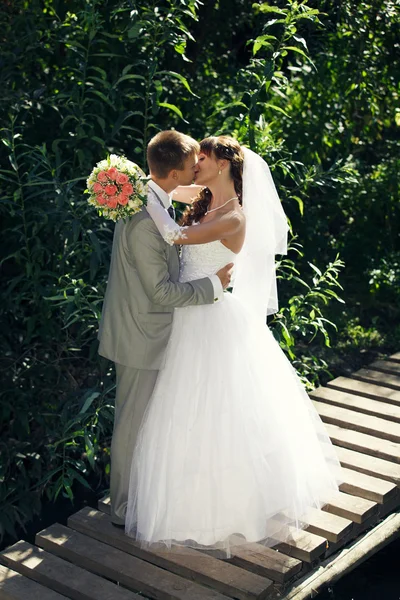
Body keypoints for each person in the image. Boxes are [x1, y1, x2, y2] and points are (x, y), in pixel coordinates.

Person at [124, 135, 343, 557]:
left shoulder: (235, 219)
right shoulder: (202, 197)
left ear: (224, 164)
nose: (196, 162)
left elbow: (171, 235)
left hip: (213, 320)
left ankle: (233, 511)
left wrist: (142, 196)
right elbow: (163, 183)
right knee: (183, 412)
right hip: (187, 317)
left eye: (203, 156)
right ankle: (185, 506)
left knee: (219, 412)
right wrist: (124, 184)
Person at [98, 131, 234, 526]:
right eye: (191, 168)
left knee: (148, 422)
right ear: (174, 173)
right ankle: (121, 509)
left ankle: (142, 498)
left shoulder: (149, 196)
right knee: (131, 424)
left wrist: (179, 195)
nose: (196, 172)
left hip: (151, 332)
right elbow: (159, 291)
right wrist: (213, 286)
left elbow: (161, 196)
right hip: (141, 335)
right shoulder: (143, 222)